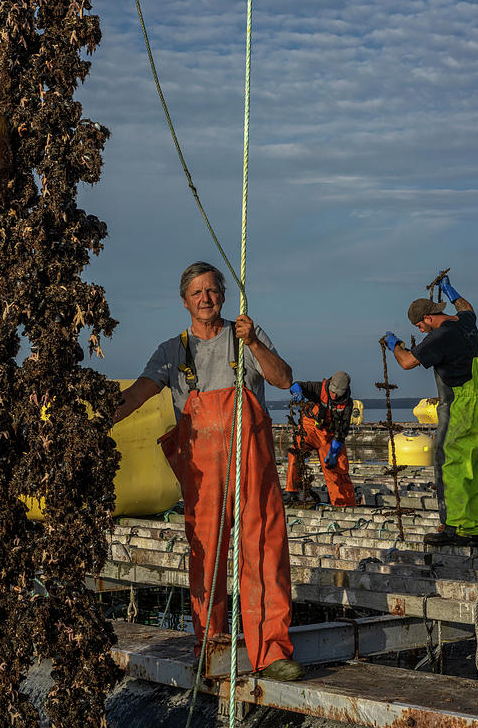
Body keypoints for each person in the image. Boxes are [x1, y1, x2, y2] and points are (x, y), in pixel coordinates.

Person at [113, 262, 303, 680]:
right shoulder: (171, 352)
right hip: (202, 472)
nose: (206, 298)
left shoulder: (245, 336)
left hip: (251, 463)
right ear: (184, 301)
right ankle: (211, 647)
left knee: (264, 548)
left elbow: (284, 378)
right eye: (197, 292)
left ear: (223, 295)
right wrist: (93, 423)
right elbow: (137, 395)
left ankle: (271, 652)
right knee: (206, 556)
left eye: (213, 290)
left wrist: (253, 342)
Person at [383, 275, 478, 546]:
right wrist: (452, 291)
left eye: (420, 325)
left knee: (449, 466)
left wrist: (394, 344)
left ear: (430, 318)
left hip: (461, 409)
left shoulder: (440, 336)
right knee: (476, 469)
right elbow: (467, 308)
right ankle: (474, 529)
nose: (421, 331)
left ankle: (453, 528)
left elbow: (408, 362)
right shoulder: (466, 323)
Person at [284, 372, 357, 507]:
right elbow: (297, 385)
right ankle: (292, 491)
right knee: (295, 452)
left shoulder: (347, 405)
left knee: (338, 467)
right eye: (332, 391)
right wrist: (297, 392)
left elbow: (341, 432)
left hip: (329, 436)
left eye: (338, 393)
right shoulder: (318, 388)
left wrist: (334, 453)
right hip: (310, 428)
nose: (334, 395)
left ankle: (344, 504)